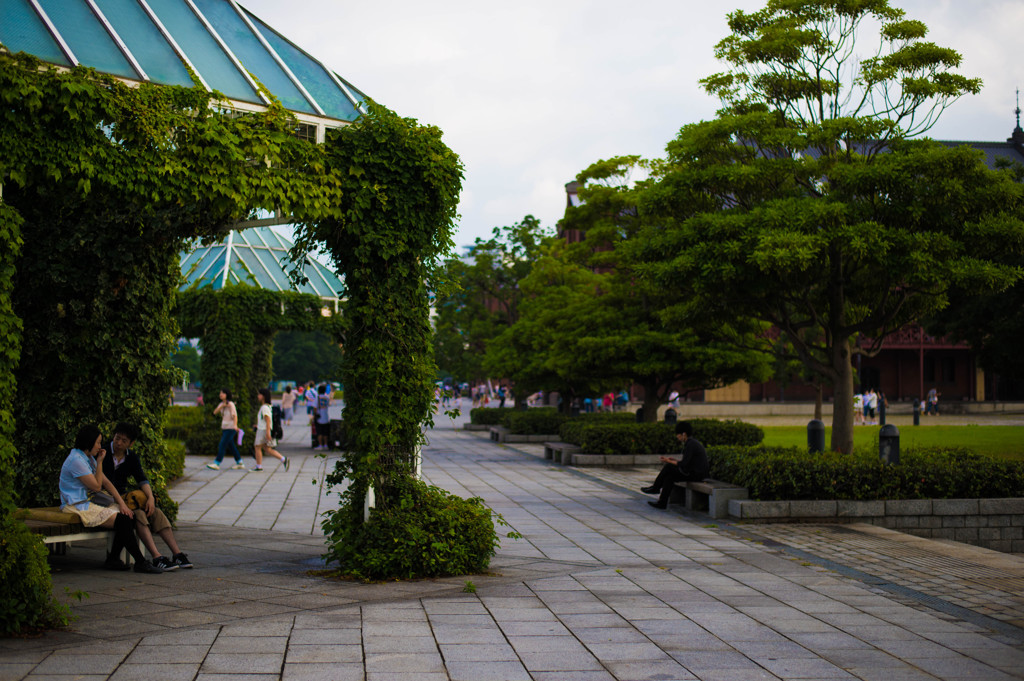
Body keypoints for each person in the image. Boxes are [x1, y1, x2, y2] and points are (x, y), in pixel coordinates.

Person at [58, 424, 163, 573]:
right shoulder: (76, 459)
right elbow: (96, 486)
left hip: (85, 503)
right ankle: (139, 561)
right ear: (89, 442)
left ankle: (113, 559)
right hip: (75, 505)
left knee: (128, 515)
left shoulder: (86, 457)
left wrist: (122, 504)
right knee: (123, 520)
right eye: (98, 442)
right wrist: (100, 461)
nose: (100, 446)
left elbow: (107, 483)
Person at [101, 423, 192, 570]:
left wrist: (150, 498)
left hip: (124, 498)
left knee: (155, 511)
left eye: (124, 441)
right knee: (138, 514)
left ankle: (177, 553)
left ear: (131, 443)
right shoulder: (103, 453)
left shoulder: (131, 457)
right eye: (117, 438)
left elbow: (142, 479)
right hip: (106, 499)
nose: (118, 443)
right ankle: (156, 556)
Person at [640, 421, 709, 509]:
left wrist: (668, 461)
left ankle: (655, 488)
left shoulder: (691, 444)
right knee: (670, 477)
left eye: (678, 435)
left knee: (668, 467)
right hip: (693, 472)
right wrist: (674, 460)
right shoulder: (692, 443)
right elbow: (687, 462)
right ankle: (662, 503)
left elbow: (684, 464)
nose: (677, 437)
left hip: (696, 475)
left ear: (684, 434)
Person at [207, 389, 245, 470]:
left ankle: (217, 463)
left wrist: (235, 425)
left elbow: (235, 416)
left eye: (223, 393)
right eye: (220, 393)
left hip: (231, 428)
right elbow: (215, 412)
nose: (221, 394)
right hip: (224, 428)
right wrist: (222, 406)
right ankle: (240, 462)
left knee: (222, 444)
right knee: (231, 446)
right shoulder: (222, 404)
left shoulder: (231, 404)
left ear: (227, 394)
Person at [253, 388, 289, 471]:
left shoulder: (265, 407)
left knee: (257, 447)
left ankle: (259, 466)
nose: (258, 396)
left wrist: (268, 432)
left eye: (259, 394)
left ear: (263, 396)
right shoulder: (267, 406)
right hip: (263, 429)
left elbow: (268, 420)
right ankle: (283, 459)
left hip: (263, 430)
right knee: (267, 448)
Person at [315, 383, 331, 450]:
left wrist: (315, 414)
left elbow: (315, 407)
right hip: (326, 416)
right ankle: (325, 445)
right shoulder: (327, 397)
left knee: (319, 432)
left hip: (319, 417)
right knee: (325, 432)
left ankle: (320, 445)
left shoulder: (317, 397)